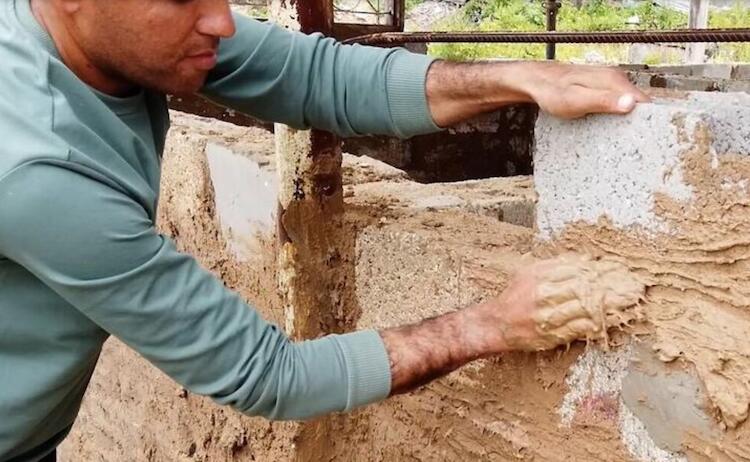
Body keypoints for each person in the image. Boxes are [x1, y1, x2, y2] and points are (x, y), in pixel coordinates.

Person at [0, 0, 649, 460]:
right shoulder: (36, 171)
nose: (221, 21)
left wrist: (518, 77)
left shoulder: (114, 39)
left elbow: (316, 77)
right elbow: (268, 374)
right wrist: (492, 325)